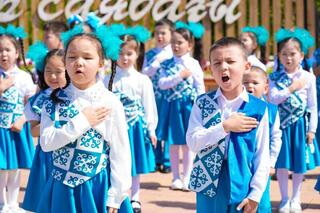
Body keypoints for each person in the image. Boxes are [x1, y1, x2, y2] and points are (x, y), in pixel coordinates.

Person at [37, 25, 132, 213]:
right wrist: (82, 121)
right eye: (72, 57)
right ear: (64, 62)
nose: (79, 63)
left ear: (101, 63)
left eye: (87, 58)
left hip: (97, 187)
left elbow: (120, 152)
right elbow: (46, 143)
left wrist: (116, 195)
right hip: (61, 188)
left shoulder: (110, 102)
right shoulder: (54, 100)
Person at [186, 37, 270, 213]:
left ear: (246, 66)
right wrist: (224, 127)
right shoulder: (202, 103)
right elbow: (193, 142)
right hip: (208, 183)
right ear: (210, 68)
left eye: (230, 61)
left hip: (242, 180)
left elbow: (262, 156)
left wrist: (255, 194)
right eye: (217, 62)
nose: (223, 67)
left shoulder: (258, 108)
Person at [104, 25, 157, 213]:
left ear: (137, 54)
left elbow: (149, 105)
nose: (124, 58)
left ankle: (135, 198)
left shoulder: (142, 80)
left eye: (129, 53)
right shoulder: (107, 79)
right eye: (120, 54)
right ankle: (116, 194)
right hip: (113, 129)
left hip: (134, 127)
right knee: (114, 161)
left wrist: (151, 129)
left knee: (133, 161)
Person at [269, 27, 320, 212]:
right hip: (280, 126)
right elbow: (272, 98)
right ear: (279, 56)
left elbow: (313, 106)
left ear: (301, 55)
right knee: (282, 164)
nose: (288, 58)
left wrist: (312, 130)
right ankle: (284, 199)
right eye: (284, 54)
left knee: (299, 164)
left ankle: (296, 198)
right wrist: (291, 88)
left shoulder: (308, 77)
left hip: (300, 125)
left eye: (293, 54)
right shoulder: (274, 77)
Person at [158, 21, 205, 191]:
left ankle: (187, 176)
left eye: (180, 42)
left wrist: (201, 107)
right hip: (171, 107)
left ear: (189, 44)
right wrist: (179, 76)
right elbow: (162, 84)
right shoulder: (166, 64)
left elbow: (200, 87)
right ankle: (176, 177)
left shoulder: (193, 64)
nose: (176, 46)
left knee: (188, 143)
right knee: (173, 142)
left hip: (188, 107)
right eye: (173, 42)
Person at [22, 43, 68, 212]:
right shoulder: (39, 99)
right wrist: (53, 125)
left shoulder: (75, 95)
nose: (53, 76)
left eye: (58, 71)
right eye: (49, 71)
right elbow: (33, 130)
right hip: (46, 155)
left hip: (70, 156)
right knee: (46, 198)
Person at [0, 25, 36, 213]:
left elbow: (31, 104)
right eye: (0, 50)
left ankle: (13, 203)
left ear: (16, 53)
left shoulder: (23, 77)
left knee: (14, 168)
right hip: (0, 129)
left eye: (7, 50)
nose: (3, 54)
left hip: (16, 128)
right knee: (1, 168)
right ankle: (1, 203)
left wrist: (23, 119)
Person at [243, 64, 282, 213]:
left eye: (254, 83)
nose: (249, 86)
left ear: (265, 88)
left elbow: (276, 138)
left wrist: (271, 163)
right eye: (245, 82)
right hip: (242, 162)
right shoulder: (237, 108)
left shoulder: (271, 110)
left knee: (261, 198)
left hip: (262, 164)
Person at [142, 18, 174, 173]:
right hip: (153, 95)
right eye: (157, 33)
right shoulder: (149, 54)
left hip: (170, 96)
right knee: (153, 124)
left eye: (163, 33)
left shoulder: (174, 53)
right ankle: (156, 158)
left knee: (167, 126)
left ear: (171, 34)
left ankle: (167, 161)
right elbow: (143, 74)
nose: (160, 36)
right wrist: (155, 63)